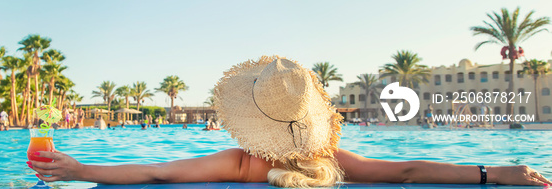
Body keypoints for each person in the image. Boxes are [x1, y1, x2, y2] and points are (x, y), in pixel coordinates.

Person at [28, 57, 550, 187]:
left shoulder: (239, 164)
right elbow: (408, 170)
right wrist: (490, 173)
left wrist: (79, 169)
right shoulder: (332, 162)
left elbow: (157, 173)